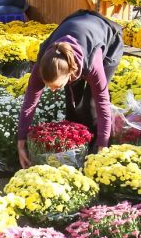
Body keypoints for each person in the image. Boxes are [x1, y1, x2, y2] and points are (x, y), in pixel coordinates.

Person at [17, 10, 123, 168]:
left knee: (91, 105)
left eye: (57, 86)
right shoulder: (44, 64)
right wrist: (21, 141)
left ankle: (91, 151)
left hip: (107, 41)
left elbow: (103, 104)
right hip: (77, 27)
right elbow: (30, 102)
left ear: (71, 72)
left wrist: (103, 145)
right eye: (49, 86)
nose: (52, 91)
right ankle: (74, 151)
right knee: (72, 103)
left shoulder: (92, 63)